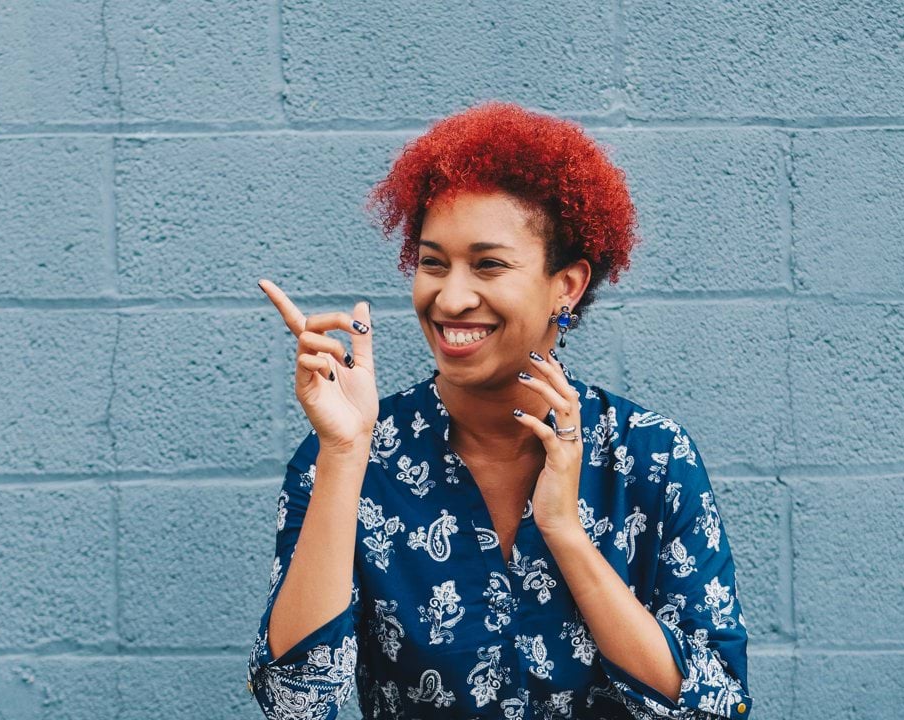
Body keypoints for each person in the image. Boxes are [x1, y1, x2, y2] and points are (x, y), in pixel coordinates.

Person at [247, 101, 753, 720]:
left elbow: (713, 706)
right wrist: (345, 454)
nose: (451, 297)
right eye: (433, 263)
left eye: (488, 264)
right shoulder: (351, 453)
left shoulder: (650, 457)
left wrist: (566, 534)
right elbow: (295, 704)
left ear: (566, 286)